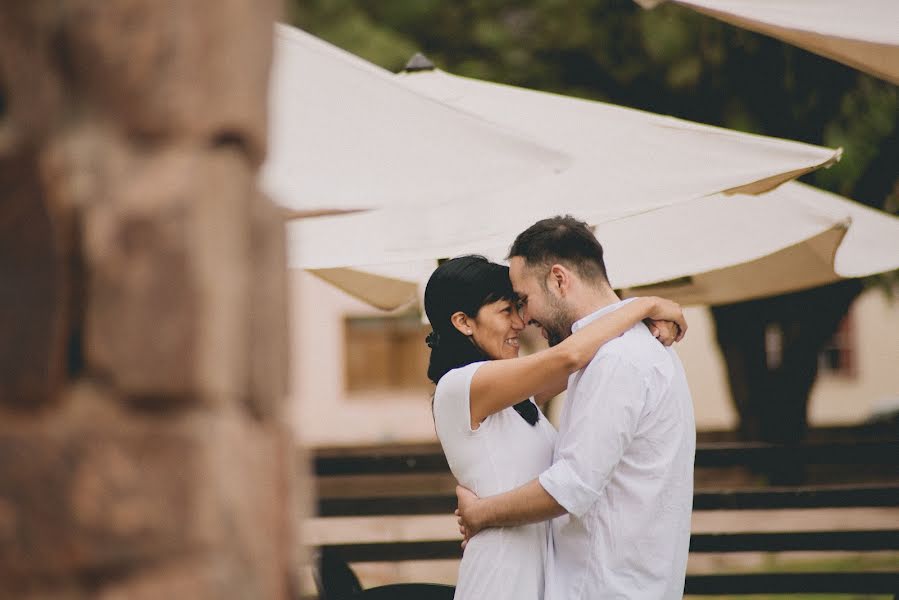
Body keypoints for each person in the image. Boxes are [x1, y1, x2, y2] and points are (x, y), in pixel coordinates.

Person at [455, 216, 696, 600]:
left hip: (601, 588)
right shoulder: (632, 350)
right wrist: (647, 305)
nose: (525, 317)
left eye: (524, 299)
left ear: (559, 279)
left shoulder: (616, 361)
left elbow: (571, 487)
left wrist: (481, 514)